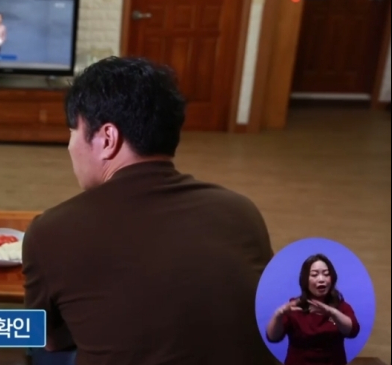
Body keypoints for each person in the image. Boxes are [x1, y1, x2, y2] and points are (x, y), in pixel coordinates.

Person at [22, 56, 277, 365]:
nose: (70, 146)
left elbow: (46, 338)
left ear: (107, 139)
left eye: (73, 130)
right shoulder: (241, 211)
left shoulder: (51, 231)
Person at [266, 254, 360, 365]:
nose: (321, 279)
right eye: (314, 275)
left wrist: (333, 312)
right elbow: (273, 337)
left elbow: (353, 331)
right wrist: (278, 314)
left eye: (326, 274)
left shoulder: (341, 306)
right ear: (305, 280)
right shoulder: (294, 306)